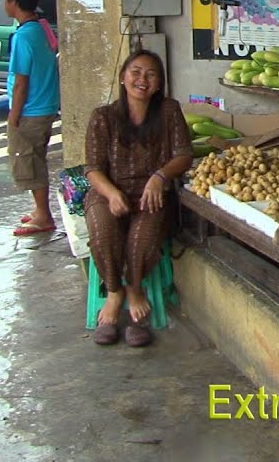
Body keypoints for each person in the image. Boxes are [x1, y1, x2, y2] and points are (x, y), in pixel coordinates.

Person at [84, 50, 193, 347]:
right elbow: (92, 168)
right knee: (103, 230)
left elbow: (184, 154)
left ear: (159, 84)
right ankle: (115, 292)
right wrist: (111, 193)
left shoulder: (169, 111)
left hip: (151, 193)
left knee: (142, 237)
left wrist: (160, 177)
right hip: (108, 191)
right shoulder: (102, 117)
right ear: (123, 77)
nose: (141, 79)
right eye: (135, 72)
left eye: (150, 74)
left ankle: (135, 289)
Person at [4, 0, 61, 237]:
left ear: (14, 2)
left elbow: (20, 83)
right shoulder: (42, 29)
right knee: (37, 158)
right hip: (46, 106)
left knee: (29, 162)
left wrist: (14, 115)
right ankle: (40, 211)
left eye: (5, 0)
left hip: (31, 110)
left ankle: (44, 216)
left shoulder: (23, 37)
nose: (4, 5)